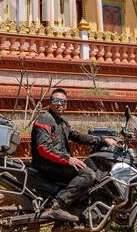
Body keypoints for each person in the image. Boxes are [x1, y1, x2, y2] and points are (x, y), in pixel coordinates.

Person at [30, 88, 113, 219]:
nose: (59, 104)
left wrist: (103, 140)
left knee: (95, 171)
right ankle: (58, 206)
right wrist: (68, 159)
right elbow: (43, 147)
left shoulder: (62, 122)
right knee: (88, 175)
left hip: (58, 163)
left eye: (62, 101)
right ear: (50, 102)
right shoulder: (45, 119)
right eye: (56, 100)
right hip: (47, 165)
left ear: (66, 104)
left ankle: (79, 210)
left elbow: (78, 136)